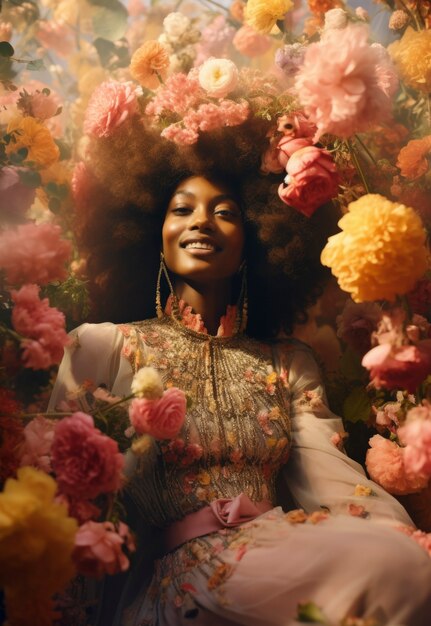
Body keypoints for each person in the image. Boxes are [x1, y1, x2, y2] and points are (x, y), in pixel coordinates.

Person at [49, 111, 431, 626]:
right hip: (181, 590)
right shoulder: (104, 347)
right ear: (154, 235)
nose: (201, 221)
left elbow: (334, 481)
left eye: (224, 212)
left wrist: (406, 542)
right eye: (181, 210)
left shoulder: (287, 363)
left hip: (285, 554)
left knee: (401, 566)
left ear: (253, 241)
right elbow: (66, 507)